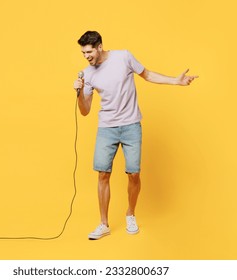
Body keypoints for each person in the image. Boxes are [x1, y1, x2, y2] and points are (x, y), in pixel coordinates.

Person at [73, 31, 198, 240]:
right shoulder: (88, 74)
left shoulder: (123, 57)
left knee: (134, 174)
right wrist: (79, 93)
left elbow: (147, 75)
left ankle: (130, 213)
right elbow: (85, 111)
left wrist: (175, 81)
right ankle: (103, 224)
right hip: (107, 128)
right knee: (102, 174)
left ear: (99, 47)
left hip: (131, 125)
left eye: (89, 51)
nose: (86, 56)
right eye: (83, 53)